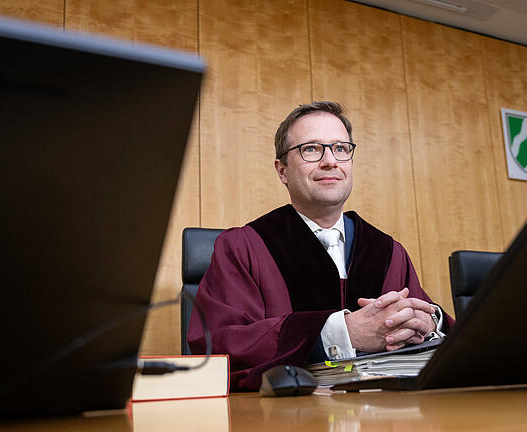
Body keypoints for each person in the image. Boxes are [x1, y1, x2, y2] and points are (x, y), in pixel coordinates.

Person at [188, 101, 455, 391]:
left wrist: (430, 323)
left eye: (341, 148)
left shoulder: (388, 252)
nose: (330, 161)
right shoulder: (243, 247)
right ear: (282, 171)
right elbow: (218, 347)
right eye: (311, 149)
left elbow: (437, 327)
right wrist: (340, 334)